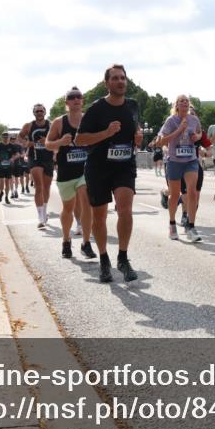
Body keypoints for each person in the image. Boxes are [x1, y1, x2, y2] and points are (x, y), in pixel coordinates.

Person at [75, 65, 143, 280]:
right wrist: (106, 133)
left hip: (124, 165)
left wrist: (139, 137)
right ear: (107, 83)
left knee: (125, 208)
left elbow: (136, 129)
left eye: (123, 78)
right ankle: (104, 259)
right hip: (98, 167)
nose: (120, 81)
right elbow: (80, 139)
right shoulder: (97, 108)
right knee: (99, 215)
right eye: (115, 78)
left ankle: (122, 258)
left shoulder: (132, 106)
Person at [46, 87, 95, 260]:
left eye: (78, 97)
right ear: (66, 102)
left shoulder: (89, 120)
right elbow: (47, 144)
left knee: (86, 201)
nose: (76, 99)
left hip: (85, 170)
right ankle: (66, 240)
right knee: (68, 208)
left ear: (82, 100)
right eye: (72, 97)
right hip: (66, 172)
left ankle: (86, 242)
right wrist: (60, 141)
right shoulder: (59, 122)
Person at [157, 94, 203, 242]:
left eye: (187, 101)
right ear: (176, 105)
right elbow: (162, 141)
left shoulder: (194, 119)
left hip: (190, 159)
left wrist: (197, 136)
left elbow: (199, 133)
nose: (184, 103)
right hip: (174, 161)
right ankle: (172, 224)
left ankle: (191, 226)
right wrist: (179, 130)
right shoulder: (171, 120)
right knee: (175, 195)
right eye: (181, 101)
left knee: (192, 192)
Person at [21, 104, 54, 228]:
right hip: (34, 158)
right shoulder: (28, 126)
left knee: (46, 187)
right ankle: (40, 217)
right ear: (33, 113)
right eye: (37, 111)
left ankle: (44, 211)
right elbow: (19, 138)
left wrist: (48, 141)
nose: (39, 113)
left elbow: (58, 139)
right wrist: (27, 143)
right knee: (38, 186)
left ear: (45, 112)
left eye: (41, 111)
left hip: (48, 158)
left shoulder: (52, 125)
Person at [0, 132, 19, 204]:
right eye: (4, 137)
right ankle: (1, 193)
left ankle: (7, 197)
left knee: (7, 182)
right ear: (2, 137)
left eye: (7, 137)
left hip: (9, 166)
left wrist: (13, 159)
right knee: (1, 181)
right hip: (1, 166)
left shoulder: (12, 146)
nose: (5, 139)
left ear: (9, 138)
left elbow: (17, 154)